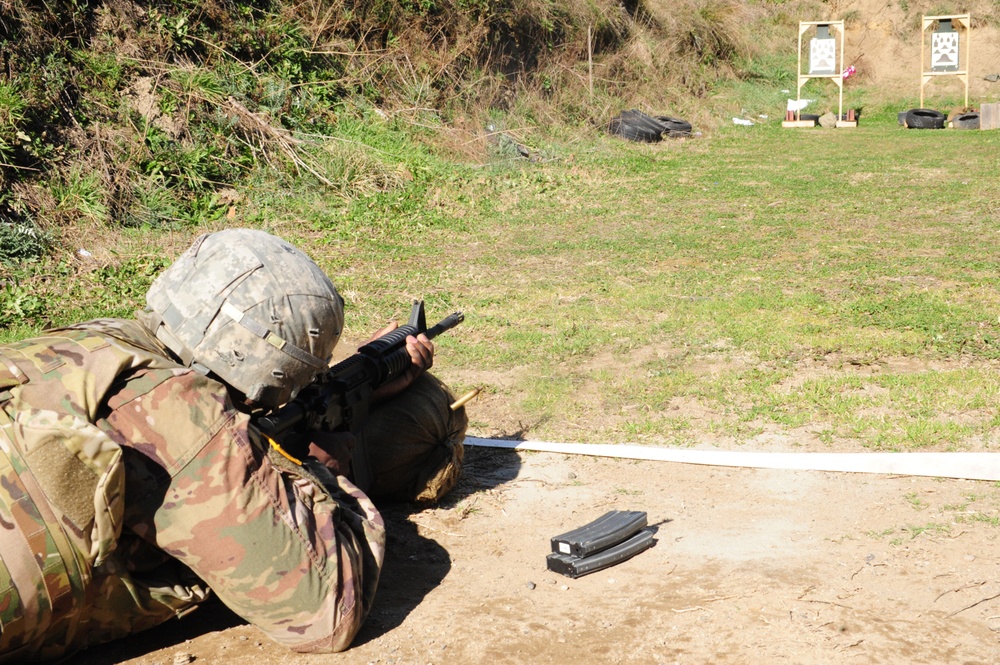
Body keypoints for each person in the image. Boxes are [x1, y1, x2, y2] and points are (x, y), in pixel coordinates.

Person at [0, 229, 467, 662]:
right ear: (267, 365)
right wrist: (318, 472)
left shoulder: (89, 343)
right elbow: (326, 612)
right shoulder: (182, 412)